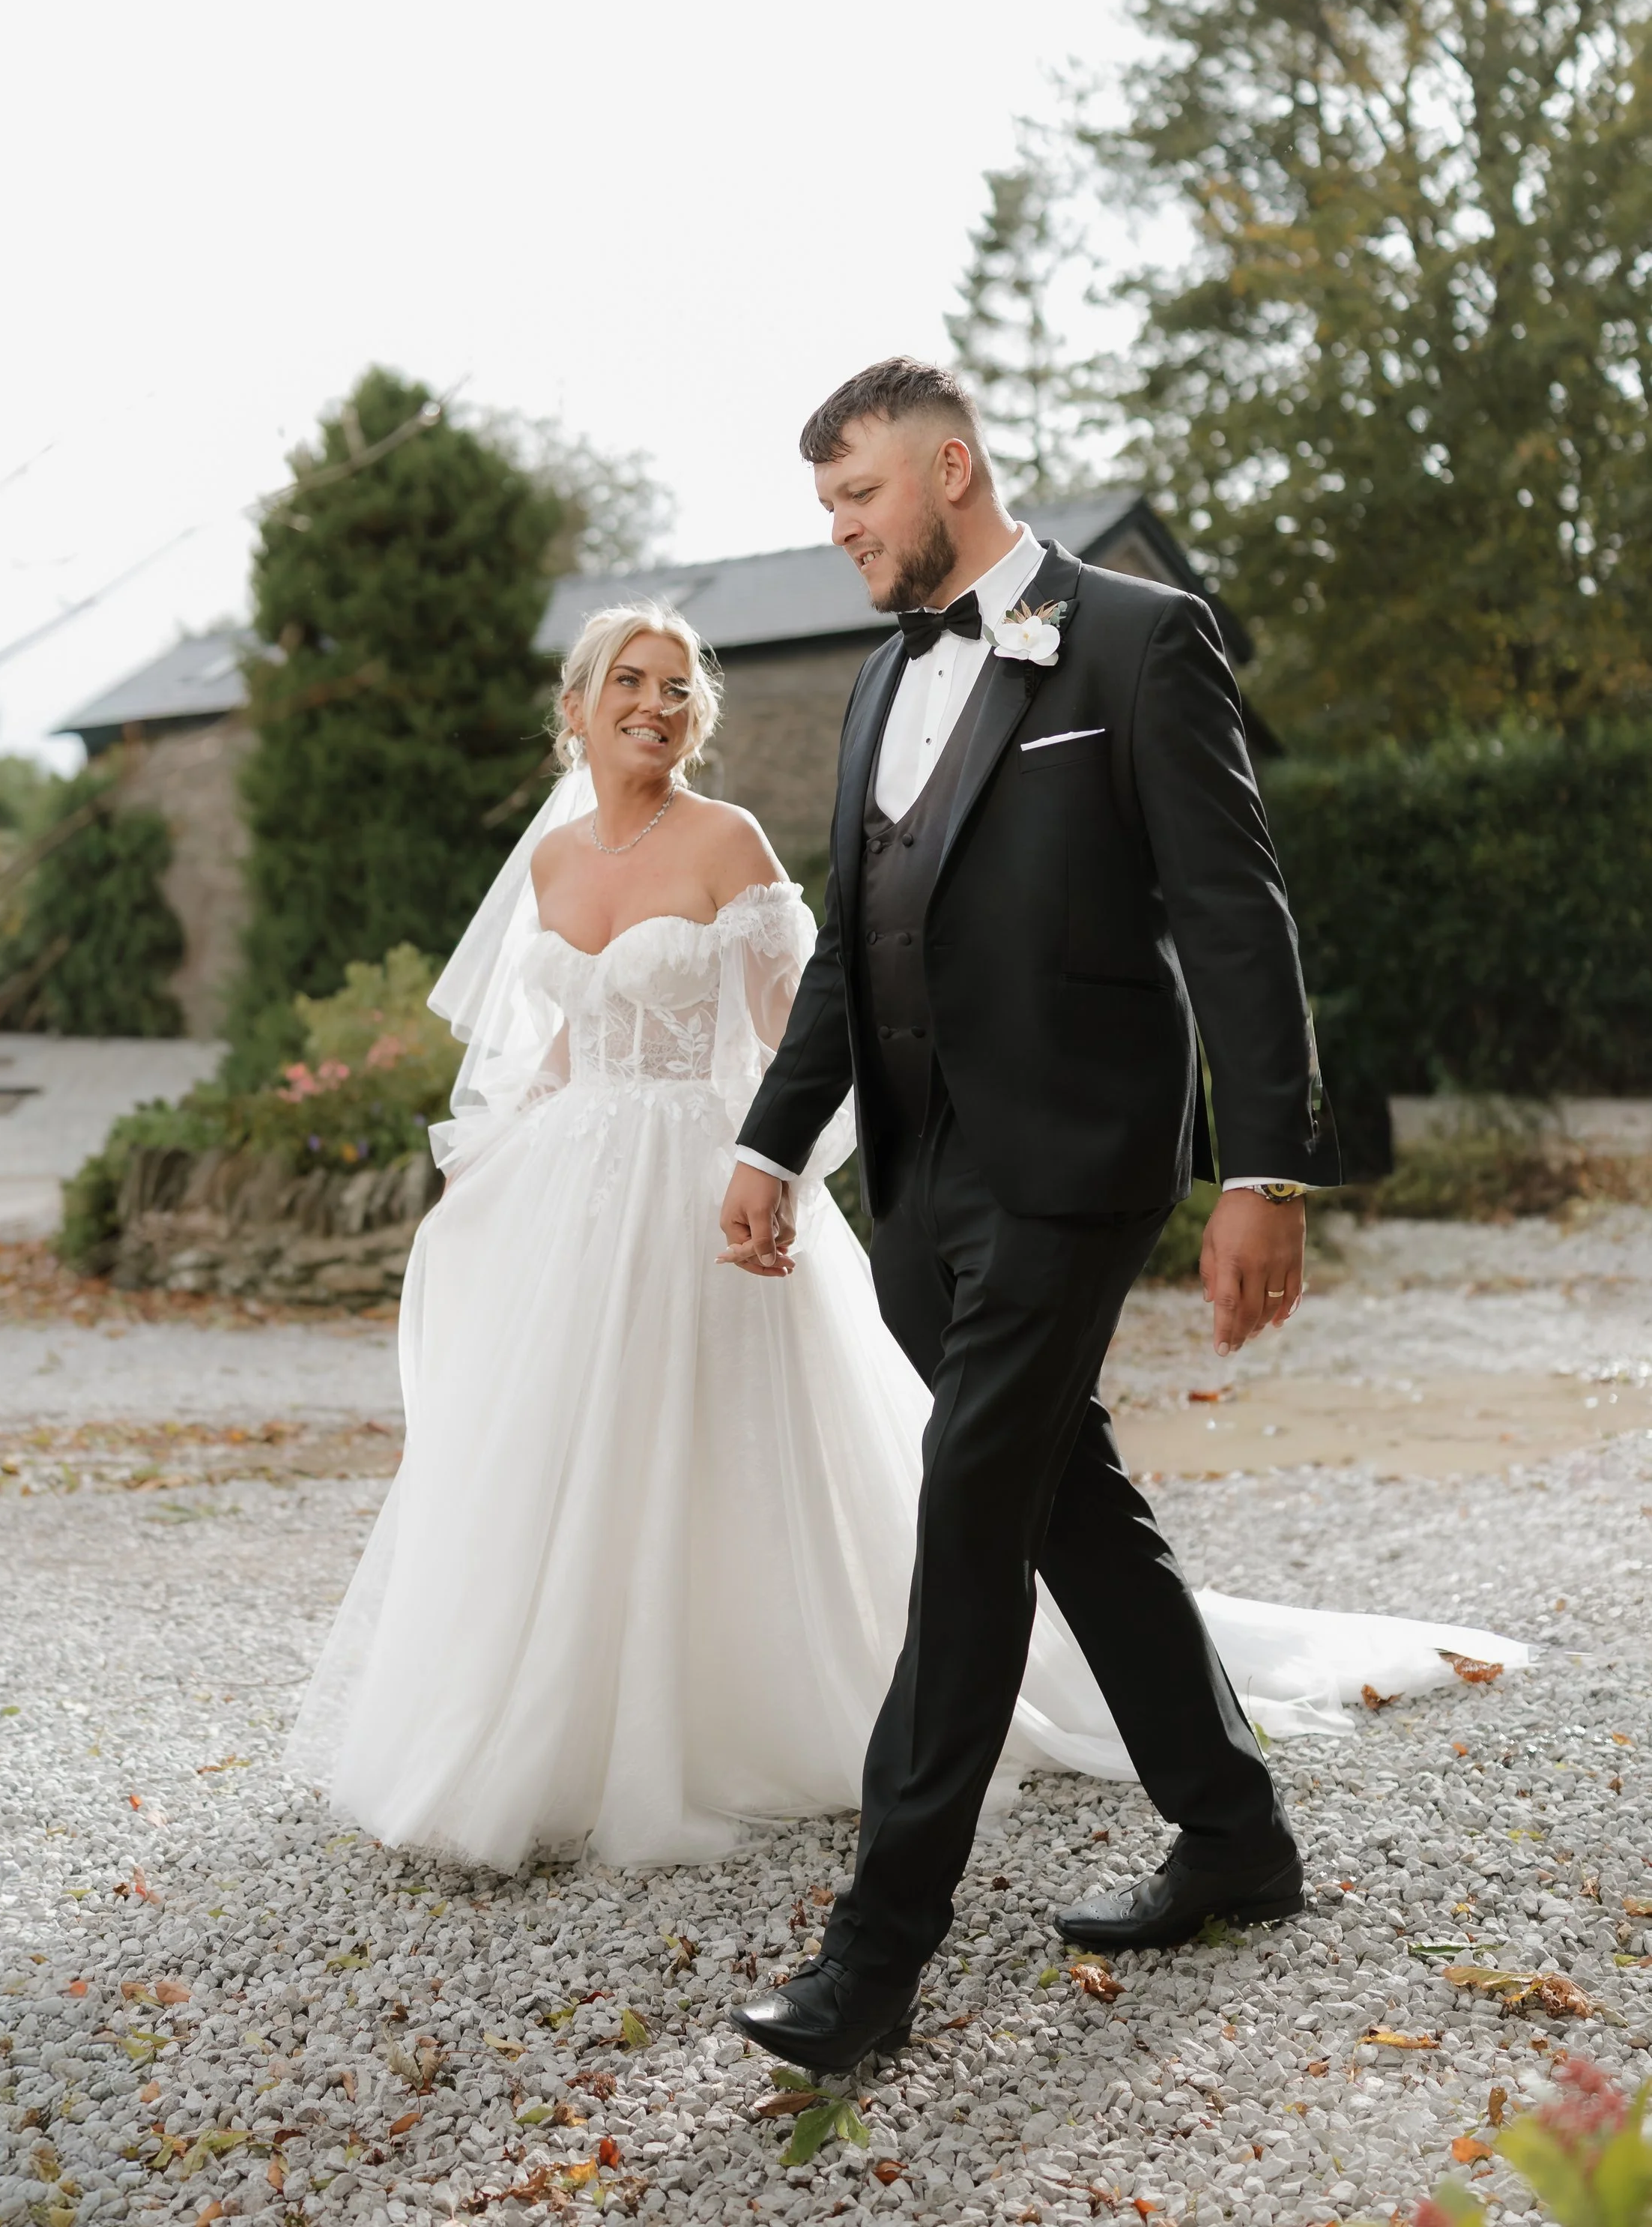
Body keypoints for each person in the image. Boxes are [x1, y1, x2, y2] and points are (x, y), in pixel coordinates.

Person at [285, 572, 1519, 1942]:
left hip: (710, 1178)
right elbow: (558, 1046)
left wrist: (774, 1170)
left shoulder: (731, 841)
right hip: (578, 1191)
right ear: (573, 711)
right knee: (563, 1455)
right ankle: (547, 1726)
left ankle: (818, 1797)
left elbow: (819, 1027)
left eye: (676, 684)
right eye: (628, 682)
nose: (654, 703)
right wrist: (510, 1177)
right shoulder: (550, 862)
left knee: (780, 1458)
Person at [718, 355, 1369, 2073]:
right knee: (1058, 1495)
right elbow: (850, 967)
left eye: (856, 498)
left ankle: (873, 1960)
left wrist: (1263, 1169)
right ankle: (1232, 1836)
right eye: (825, 509)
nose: (840, 533)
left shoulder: (1140, 641)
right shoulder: (873, 685)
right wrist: (771, 1148)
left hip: (1077, 1165)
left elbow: (1236, 919)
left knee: (966, 1513)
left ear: (947, 468)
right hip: (923, 1184)